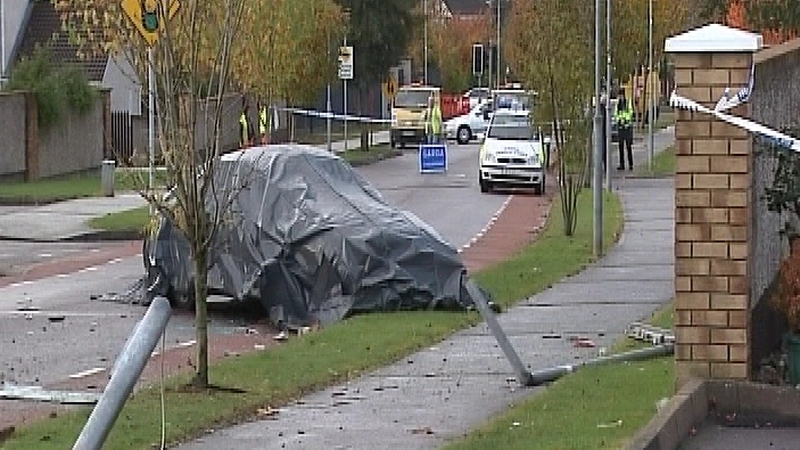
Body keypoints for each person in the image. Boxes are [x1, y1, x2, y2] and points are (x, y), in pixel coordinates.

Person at [614, 88, 634, 170]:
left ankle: (630, 164)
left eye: (621, 95)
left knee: (628, 146)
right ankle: (622, 164)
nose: (620, 97)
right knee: (621, 146)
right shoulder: (618, 104)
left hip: (627, 127)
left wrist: (625, 119)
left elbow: (630, 112)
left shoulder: (628, 102)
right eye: (619, 96)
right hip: (620, 128)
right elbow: (616, 114)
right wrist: (619, 119)